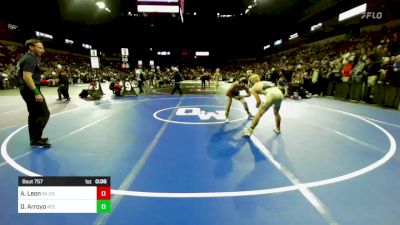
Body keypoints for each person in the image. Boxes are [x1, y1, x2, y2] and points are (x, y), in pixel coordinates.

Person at [17, 39, 50, 148]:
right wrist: (36, 92)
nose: (43, 50)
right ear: (31, 47)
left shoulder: (25, 58)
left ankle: (34, 138)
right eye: (40, 48)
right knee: (44, 113)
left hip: (26, 89)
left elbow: (30, 77)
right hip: (30, 90)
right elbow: (27, 77)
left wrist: (45, 81)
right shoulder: (31, 59)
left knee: (34, 114)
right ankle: (36, 138)